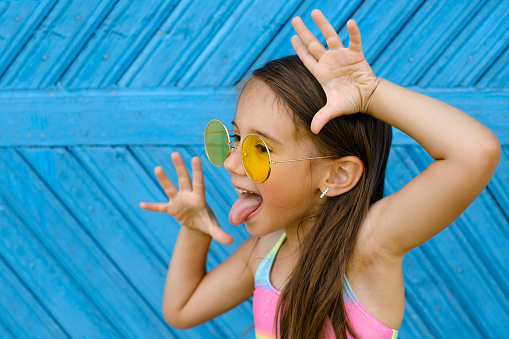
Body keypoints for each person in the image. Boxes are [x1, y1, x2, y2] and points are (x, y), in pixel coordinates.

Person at [139, 9, 500, 339]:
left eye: (259, 150)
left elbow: (475, 152)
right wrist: (193, 229)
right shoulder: (264, 253)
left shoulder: (368, 247)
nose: (232, 162)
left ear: (337, 175)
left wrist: (372, 94)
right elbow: (182, 310)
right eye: (233, 139)